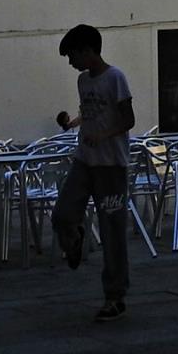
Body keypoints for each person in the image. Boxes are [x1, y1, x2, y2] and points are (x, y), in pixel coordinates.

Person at [54, 23, 134, 321]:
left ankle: (115, 296)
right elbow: (89, 111)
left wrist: (103, 135)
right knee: (62, 213)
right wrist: (75, 125)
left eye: (72, 55)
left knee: (112, 231)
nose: (71, 62)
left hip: (111, 165)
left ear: (87, 51)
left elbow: (128, 119)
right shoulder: (83, 81)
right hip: (84, 160)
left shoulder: (115, 78)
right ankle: (74, 238)